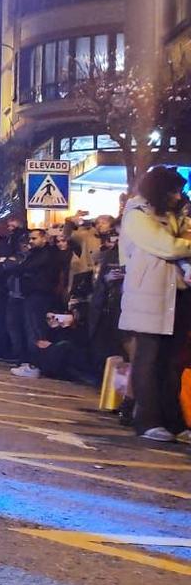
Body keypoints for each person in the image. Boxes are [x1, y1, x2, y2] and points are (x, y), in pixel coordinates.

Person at [117, 166, 191, 443]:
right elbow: (167, 246)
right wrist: (182, 242)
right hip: (148, 296)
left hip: (176, 296)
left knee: (171, 362)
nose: (178, 196)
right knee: (148, 360)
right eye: (173, 190)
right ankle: (147, 420)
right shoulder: (137, 215)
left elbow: (182, 239)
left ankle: (174, 421)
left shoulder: (173, 215)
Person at [10, 229, 67, 378]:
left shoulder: (46, 254)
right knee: (33, 329)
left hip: (39, 296)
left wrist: (15, 267)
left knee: (35, 330)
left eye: (34, 238)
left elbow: (24, 268)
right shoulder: (38, 254)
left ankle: (35, 365)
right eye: (30, 238)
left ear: (44, 239)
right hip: (34, 295)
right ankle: (34, 363)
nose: (31, 241)